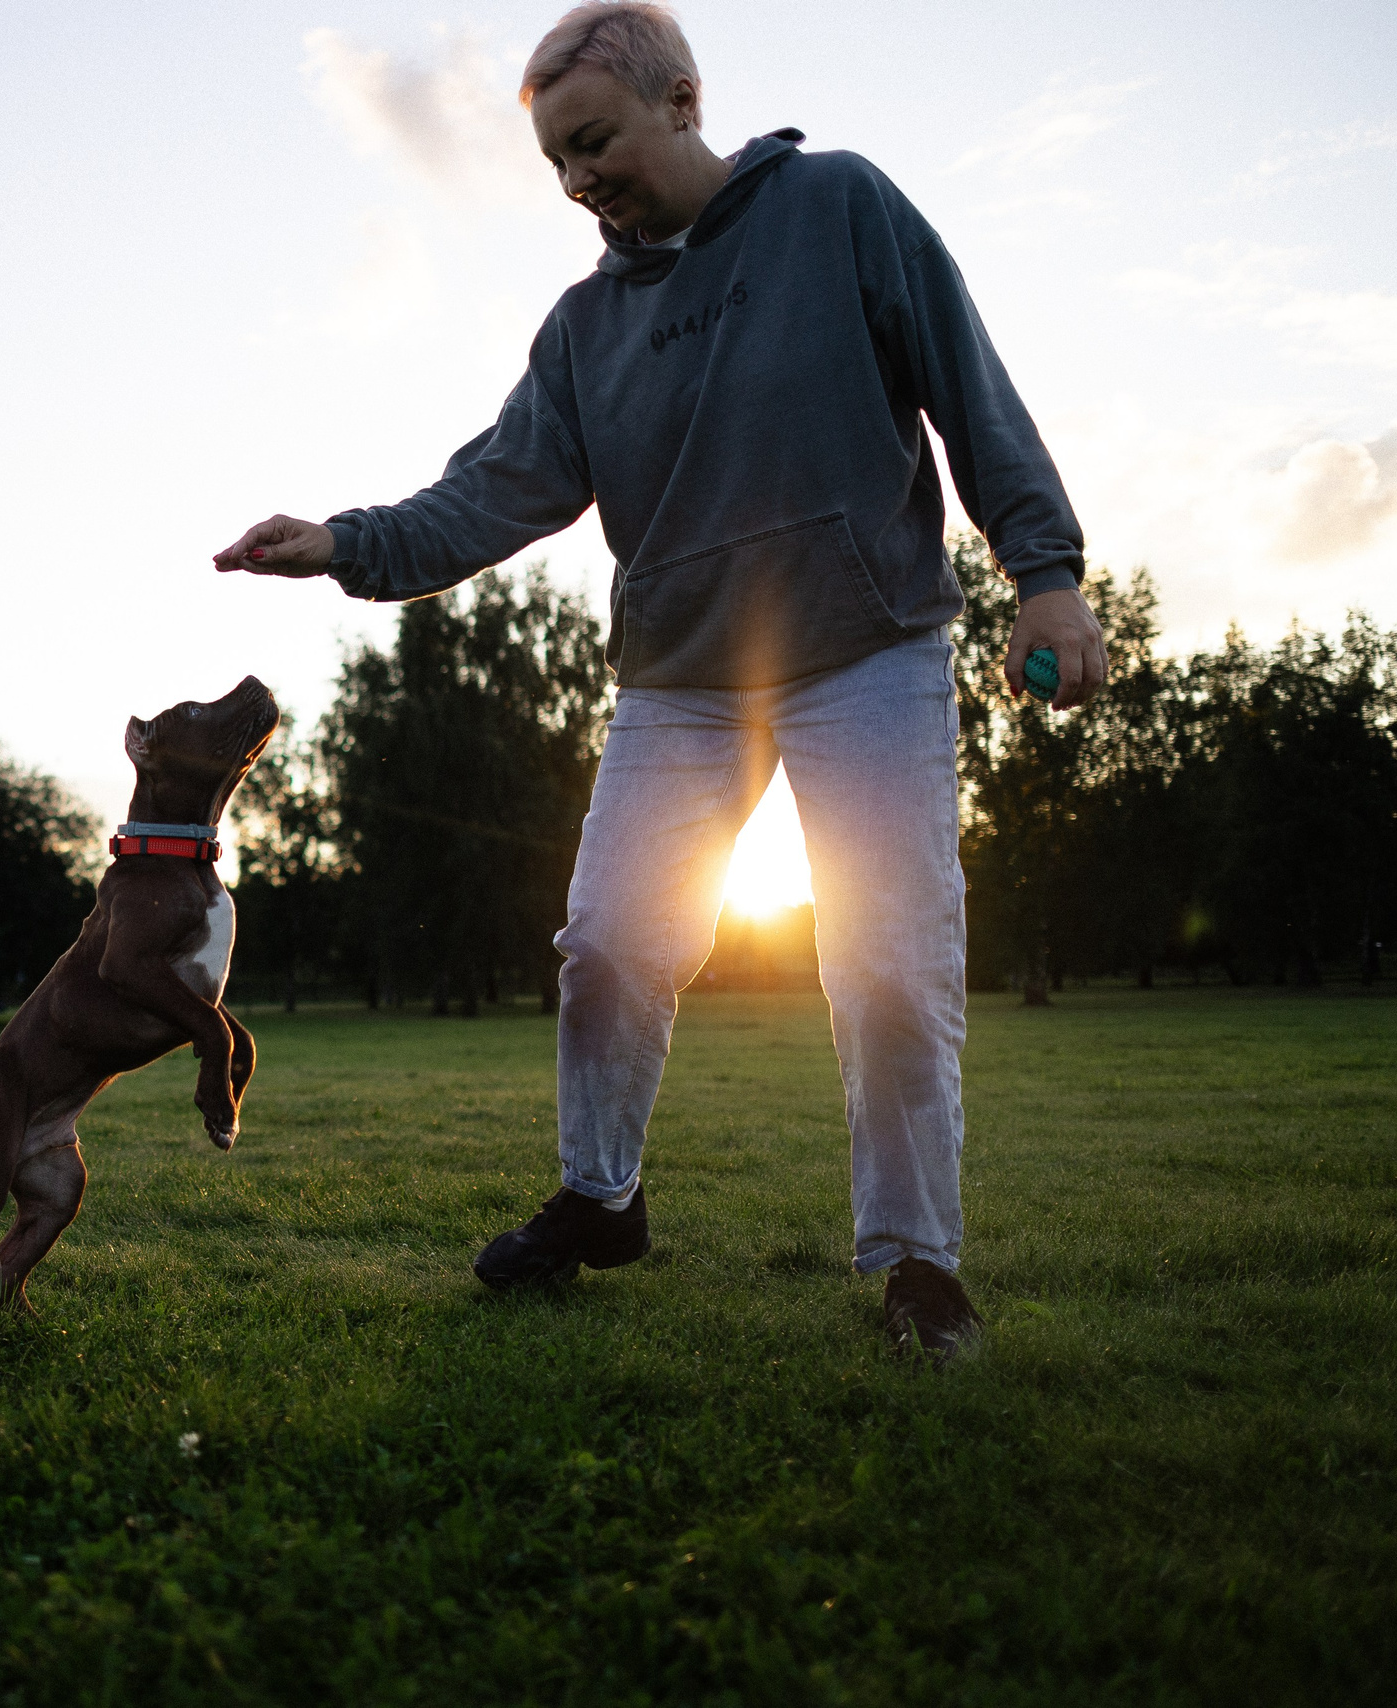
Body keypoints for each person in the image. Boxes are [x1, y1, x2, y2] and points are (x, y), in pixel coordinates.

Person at [214, 1, 1105, 1361]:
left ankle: (919, 1264)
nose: (579, 181)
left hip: (867, 648)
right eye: (557, 162)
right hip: (681, 682)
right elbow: (490, 493)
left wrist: (1044, 570)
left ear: (682, 101)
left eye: (595, 143)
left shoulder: (837, 206)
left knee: (888, 963)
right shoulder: (585, 329)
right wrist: (344, 543)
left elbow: (966, 382)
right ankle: (601, 1196)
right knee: (611, 946)